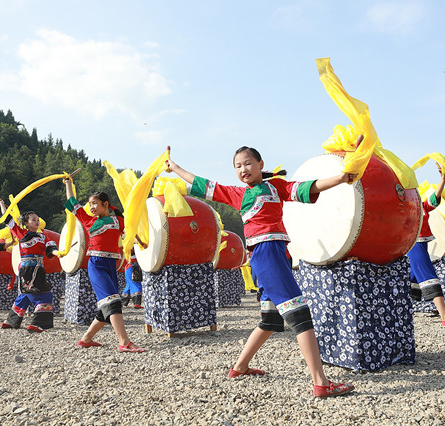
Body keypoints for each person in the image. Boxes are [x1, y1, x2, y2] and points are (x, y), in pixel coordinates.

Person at [167, 145, 356, 398]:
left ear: (260, 164)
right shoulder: (237, 194)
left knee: (271, 320)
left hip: (276, 254)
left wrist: (341, 178)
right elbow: (204, 184)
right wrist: (175, 168)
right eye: (237, 166)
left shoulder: (277, 187)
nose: (243, 169)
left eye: (247, 163)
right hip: (266, 254)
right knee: (300, 316)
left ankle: (239, 367)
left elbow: (308, 187)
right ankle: (320, 382)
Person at [63, 178, 145, 352]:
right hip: (96, 265)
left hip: (111, 265)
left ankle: (86, 339)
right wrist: (69, 184)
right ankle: (124, 342)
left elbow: (130, 231)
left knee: (107, 305)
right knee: (112, 302)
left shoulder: (118, 221)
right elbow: (72, 203)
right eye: (90, 204)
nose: (91, 207)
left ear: (105, 204)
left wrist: (141, 242)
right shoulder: (87, 220)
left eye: (94, 203)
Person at [407, 163, 445, 327]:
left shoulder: (422, 205)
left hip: (421, 245)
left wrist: (443, 179)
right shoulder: (404, 206)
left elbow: (435, 200)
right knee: (429, 277)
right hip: (414, 245)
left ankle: (400, 315)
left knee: (410, 281)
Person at [0, 200, 59, 333]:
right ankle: (37, 324)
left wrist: (58, 253)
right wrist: (2, 205)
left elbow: (51, 249)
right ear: (26, 223)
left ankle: (10, 321)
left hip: (39, 270)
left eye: (37, 219)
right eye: (33, 220)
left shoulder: (44, 237)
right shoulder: (21, 233)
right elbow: (7, 219)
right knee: (44, 296)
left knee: (25, 296)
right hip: (27, 269)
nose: (37, 222)